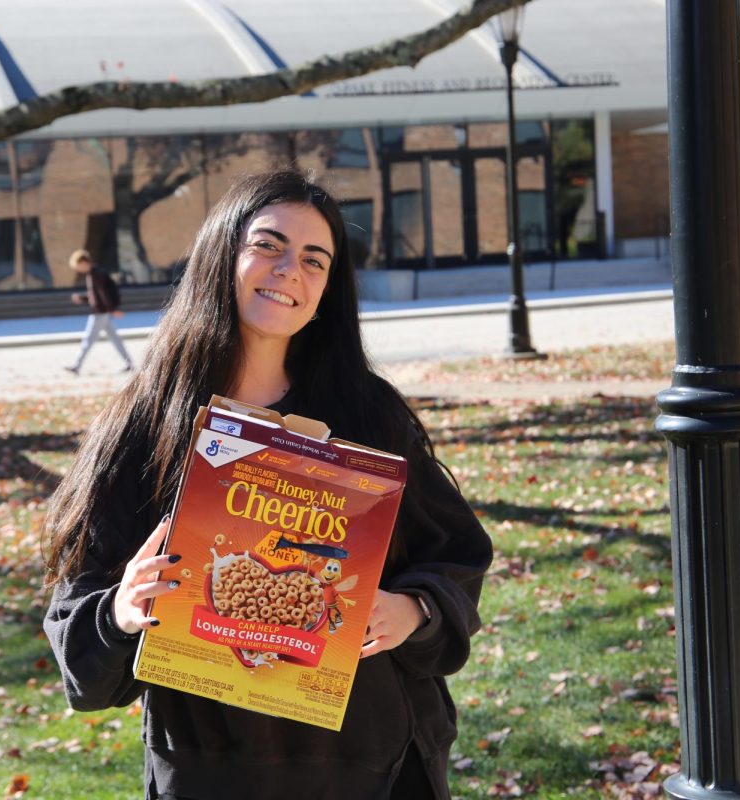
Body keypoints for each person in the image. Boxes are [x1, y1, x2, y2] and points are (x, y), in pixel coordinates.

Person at [42, 171, 491, 800]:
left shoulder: (369, 413)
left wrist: (412, 609)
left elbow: (456, 554)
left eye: (315, 259)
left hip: (373, 764)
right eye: (269, 245)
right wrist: (120, 609)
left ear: (329, 288)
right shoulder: (147, 424)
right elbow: (78, 628)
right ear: (223, 254)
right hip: (211, 768)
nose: (290, 271)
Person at [64, 249, 134, 374]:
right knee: (115, 338)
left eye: (77, 266)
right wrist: (82, 298)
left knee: (88, 339)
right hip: (103, 311)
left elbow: (103, 294)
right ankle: (129, 363)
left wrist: (112, 309)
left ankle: (76, 366)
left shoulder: (95, 274)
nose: (77, 269)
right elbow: (96, 295)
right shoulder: (94, 273)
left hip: (100, 312)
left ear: (84, 262)